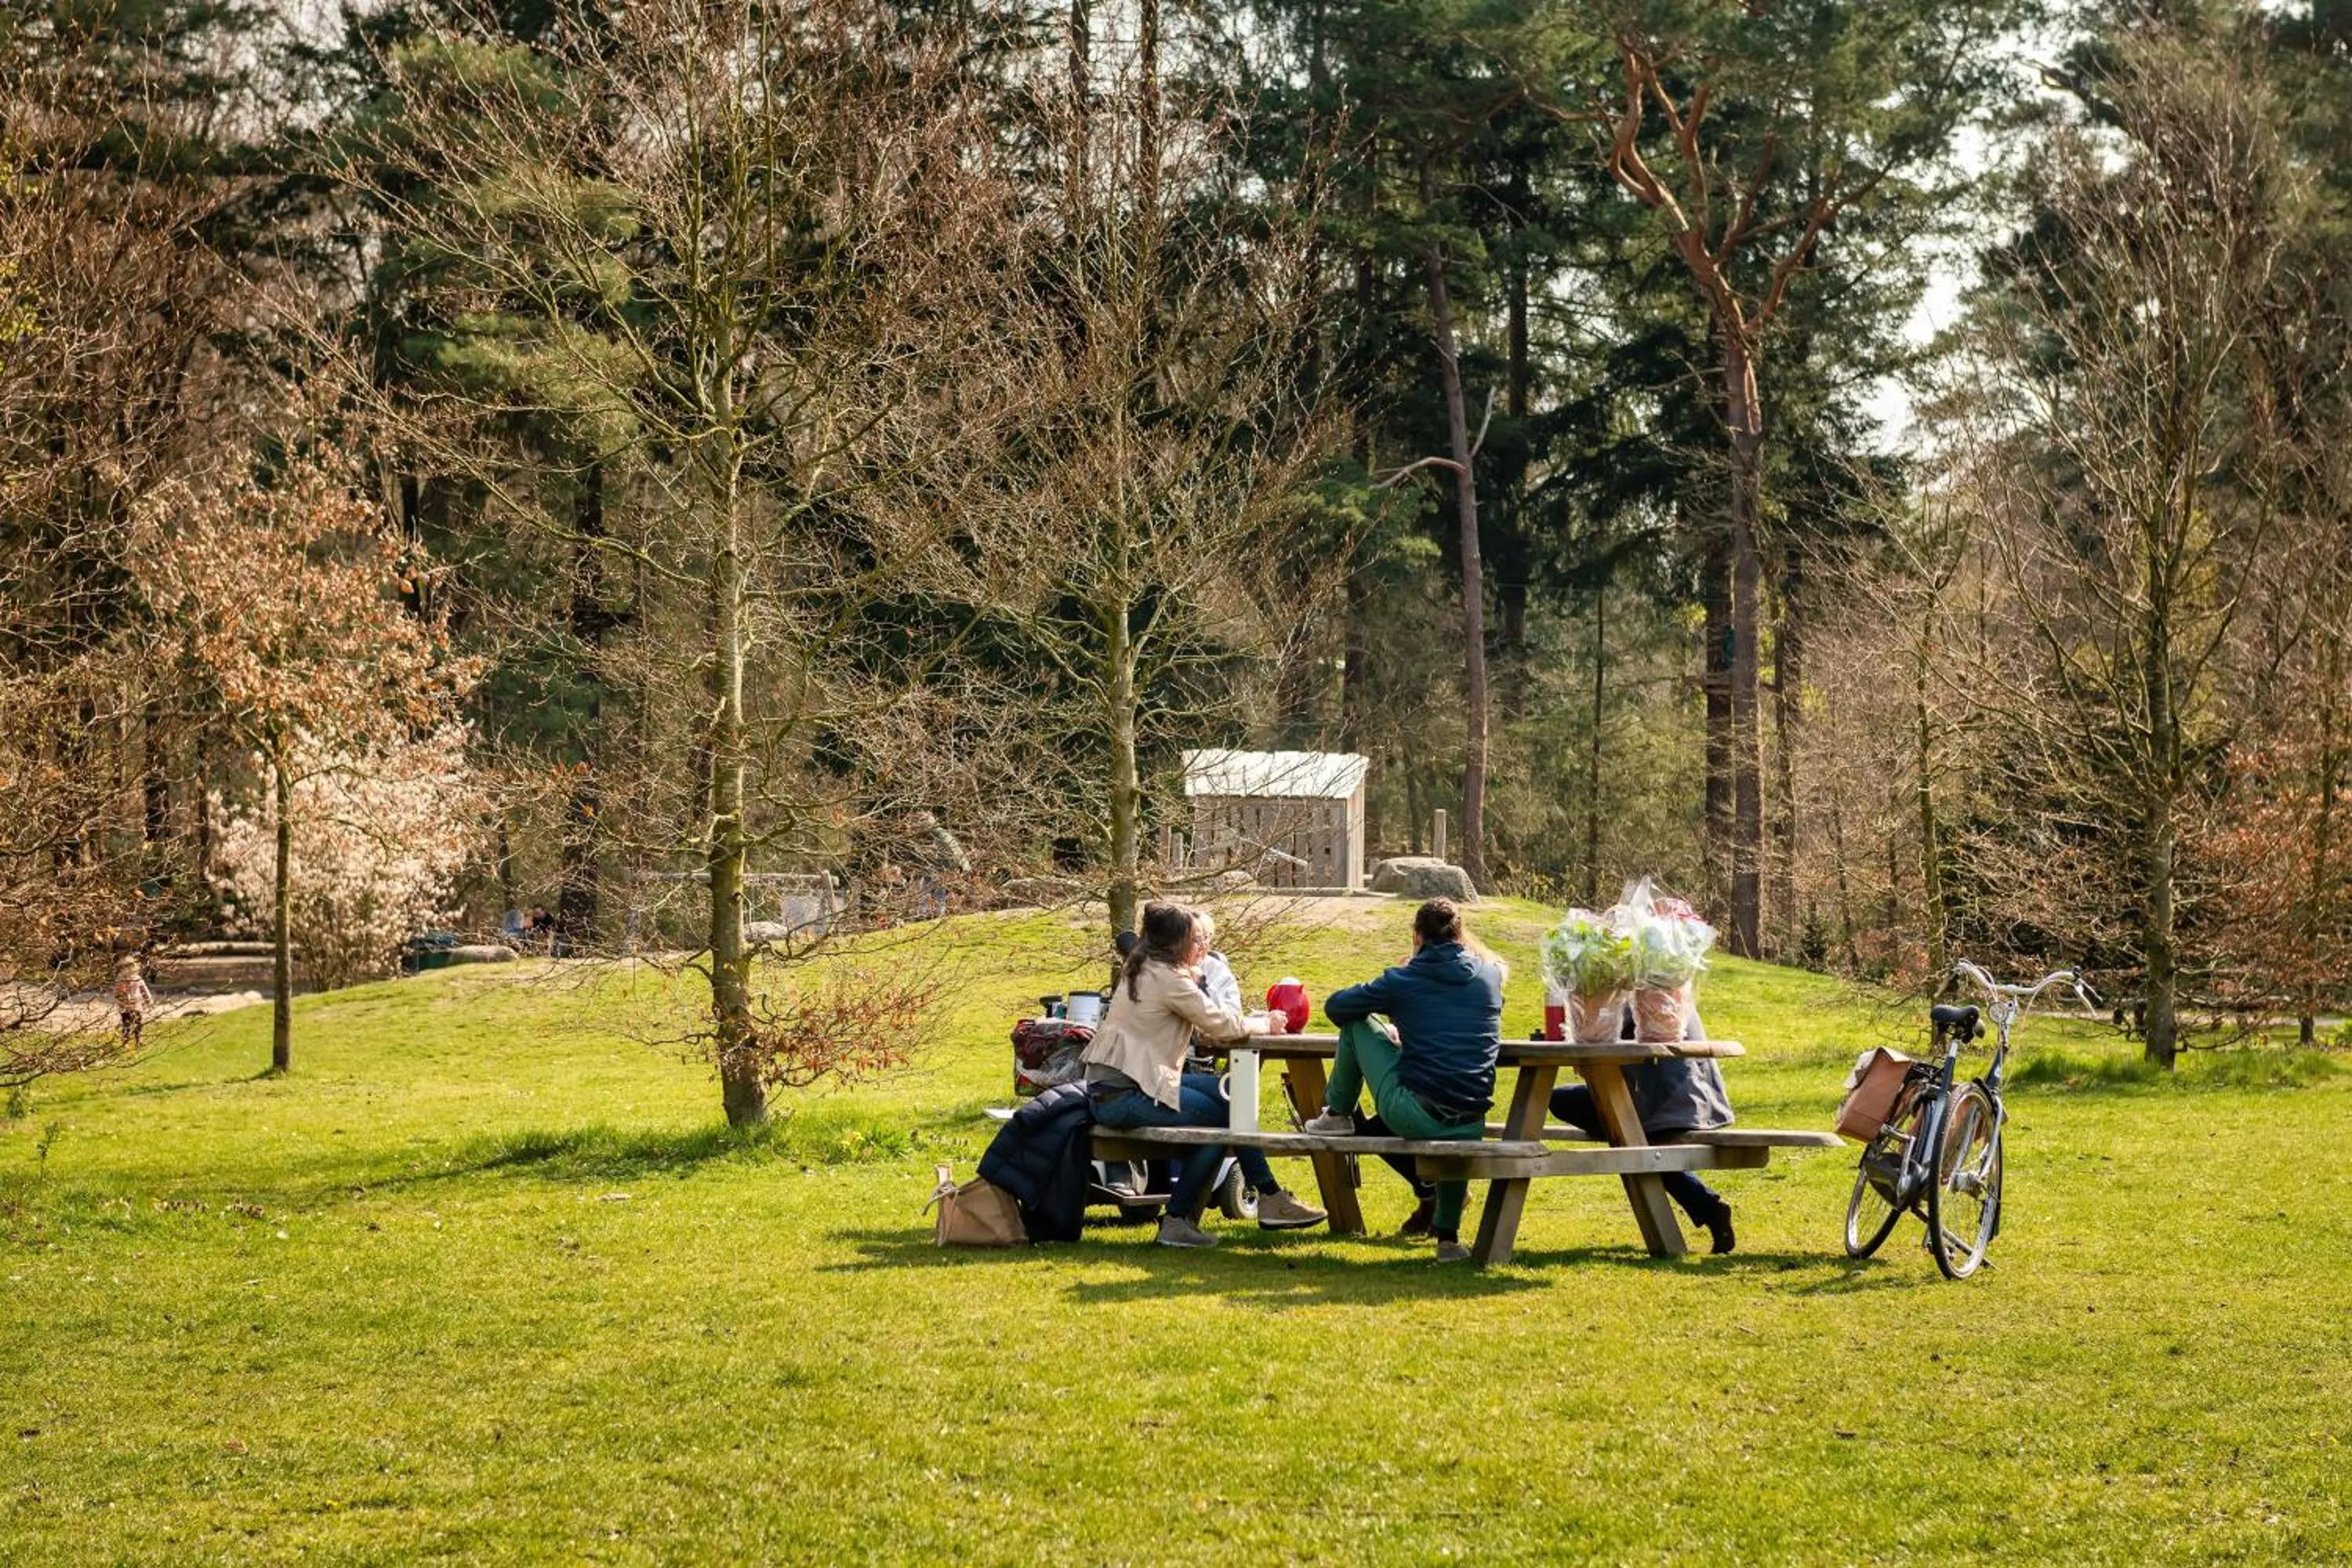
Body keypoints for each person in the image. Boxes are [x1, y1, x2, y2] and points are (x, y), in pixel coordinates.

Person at [1080, 902, 1327, 1247]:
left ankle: (1267, 1199)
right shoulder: (1168, 978)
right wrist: (1266, 1023)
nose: (1201, 946)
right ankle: (1184, 1219)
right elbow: (1222, 1023)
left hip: (1123, 1083)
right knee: (1220, 1121)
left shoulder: (1143, 964)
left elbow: (1202, 1023)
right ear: (1176, 942)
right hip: (1125, 1095)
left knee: (1229, 1098)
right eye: (1194, 939)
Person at [1302, 898, 1503, 1263]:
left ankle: (1338, 1112)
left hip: (1417, 1113)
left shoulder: (1406, 979)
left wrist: (1397, 991)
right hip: (1473, 1119)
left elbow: (1338, 1008)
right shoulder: (1490, 976)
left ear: (1417, 938)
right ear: (1461, 936)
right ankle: (1448, 1240)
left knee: (1357, 1023)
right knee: (1456, 1097)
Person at [1549, 1006, 1740, 1254]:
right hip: (1677, 1097)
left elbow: (1599, 1030)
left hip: (1666, 1099)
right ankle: (1706, 1205)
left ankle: (1707, 1206)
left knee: (1631, 1141)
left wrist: (1577, 1029)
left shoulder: (1639, 994)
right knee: (1572, 1105)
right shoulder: (1668, 985)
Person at [1190, 911, 1242, 1016]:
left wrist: (1202, 986)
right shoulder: (1167, 969)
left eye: (1206, 937)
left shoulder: (1217, 968)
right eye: (1196, 939)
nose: (1202, 945)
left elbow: (1233, 1013)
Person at [113, 954, 154, 1047]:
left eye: (131, 969)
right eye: (125, 969)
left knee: (138, 1022)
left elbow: (144, 989)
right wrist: (121, 995)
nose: (127, 971)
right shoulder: (121, 980)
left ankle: (139, 1040)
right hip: (125, 1006)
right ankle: (125, 1041)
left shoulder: (138, 979)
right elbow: (116, 993)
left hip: (137, 1005)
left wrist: (148, 999)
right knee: (126, 1024)